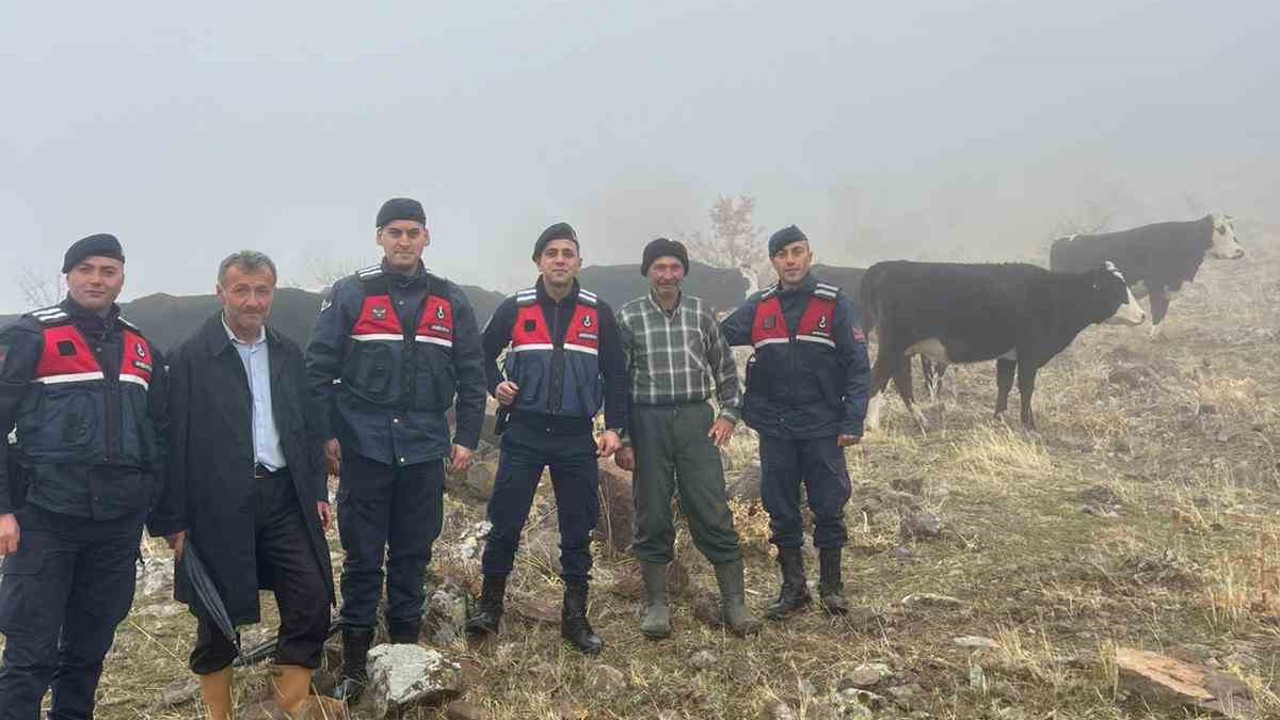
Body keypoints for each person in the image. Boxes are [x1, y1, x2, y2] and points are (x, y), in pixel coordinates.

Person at [306, 198, 487, 700]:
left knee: (412, 552)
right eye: (394, 232)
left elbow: (473, 372)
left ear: (427, 237)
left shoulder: (451, 299)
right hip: (363, 447)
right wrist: (326, 433)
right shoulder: (351, 293)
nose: (403, 241)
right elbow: (318, 369)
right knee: (363, 558)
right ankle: (356, 665)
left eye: (412, 232)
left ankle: (405, 655)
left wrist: (468, 437)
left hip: (426, 448)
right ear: (379, 237)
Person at [0, 234, 173, 719]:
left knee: (87, 652)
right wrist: (3, 510)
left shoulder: (141, 348)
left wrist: (153, 505)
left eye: (108, 271)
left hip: (116, 526)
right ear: (69, 275)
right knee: (29, 655)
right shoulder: (31, 336)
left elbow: (158, 436)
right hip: (45, 519)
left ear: (122, 277)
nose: (97, 279)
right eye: (86, 270)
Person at [163, 251, 334, 719]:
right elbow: (171, 441)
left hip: (283, 496)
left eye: (262, 291)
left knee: (312, 600)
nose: (252, 301)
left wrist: (316, 490)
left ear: (272, 294)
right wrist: (172, 520)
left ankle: (285, 710)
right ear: (220, 292)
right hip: (215, 502)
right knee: (217, 617)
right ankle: (221, 716)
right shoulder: (189, 357)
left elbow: (304, 428)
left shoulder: (286, 352)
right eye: (242, 290)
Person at [465, 222, 627, 656]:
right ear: (538, 261)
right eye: (551, 252)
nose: (559, 260)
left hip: (576, 437)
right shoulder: (514, 308)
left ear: (578, 261)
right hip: (525, 431)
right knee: (505, 523)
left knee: (577, 528)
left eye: (567, 253)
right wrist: (495, 384)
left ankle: (575, 619)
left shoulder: (598, 312)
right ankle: (489, 607)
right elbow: (479, 353)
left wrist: (614, 427)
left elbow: (616, 373)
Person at [720, 225, 870, 618]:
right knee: (780, 506)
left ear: (809, 255)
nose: (790, 260)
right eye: (782, 254)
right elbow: (715, 338)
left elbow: (858, 366)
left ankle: (832, 588)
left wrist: (853, 421)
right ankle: (793, 589)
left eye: (797, 252)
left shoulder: (835, 303)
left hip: (823, 424)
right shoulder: (759, 305)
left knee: (828, 504)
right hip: (775, 426)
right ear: (772, 262)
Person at [615, 238, 760, 638]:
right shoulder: (629, 318)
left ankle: (734, 602)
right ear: (647, 272)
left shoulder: (701, 314)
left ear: (684, 272)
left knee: (711, 506)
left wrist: (729, 414)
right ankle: (657, 603)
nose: (667, 275)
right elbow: (618, 383)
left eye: (674, 267)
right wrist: (625, 438)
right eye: (659, 267)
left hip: (696, 420)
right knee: (652, 510)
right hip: (649, 422)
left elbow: (726, 371)